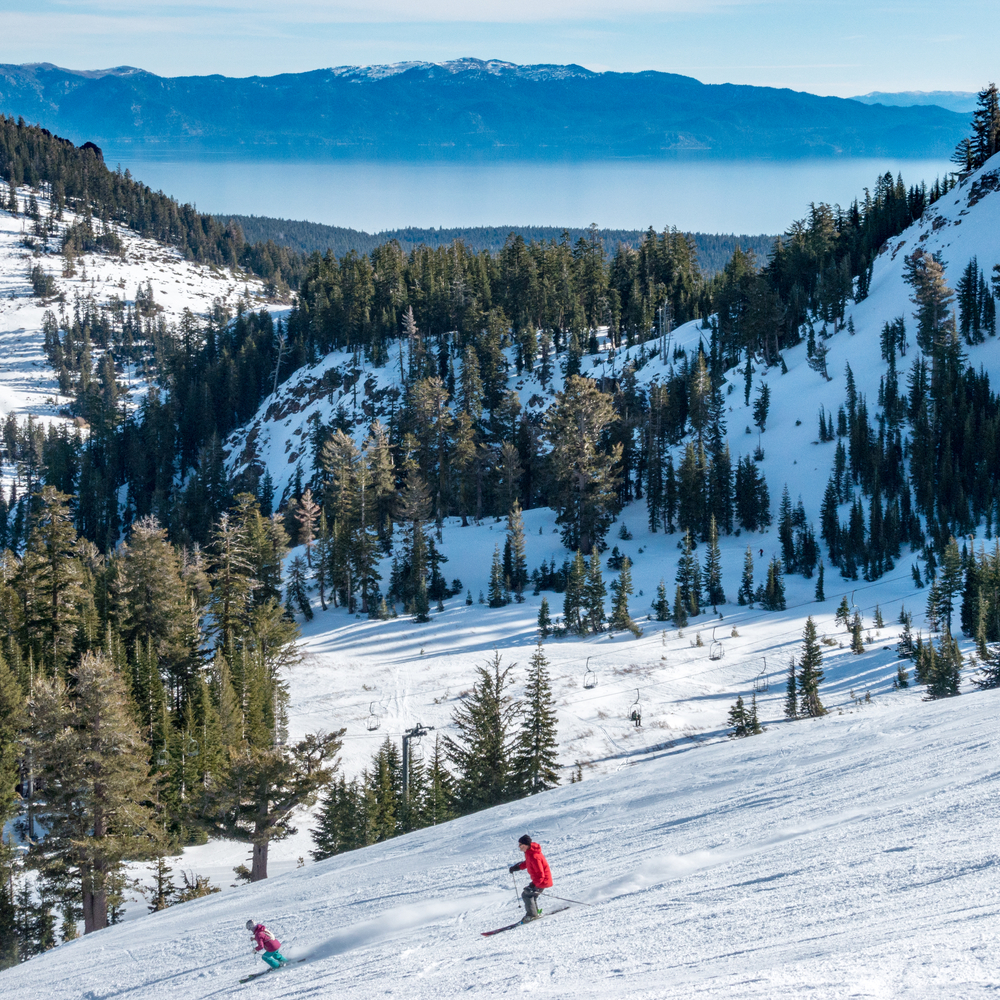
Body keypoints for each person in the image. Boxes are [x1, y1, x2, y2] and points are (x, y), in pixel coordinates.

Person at [508, 834, 553, 922]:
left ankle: (532, 915)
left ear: (525, 845)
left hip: (542, 880)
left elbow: (540, 874)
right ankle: (535, 913)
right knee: (530, 895)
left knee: (526, 895)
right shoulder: (530, 853)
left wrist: (533, 885)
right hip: (540, 880)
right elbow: (527, 863)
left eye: (520, 844)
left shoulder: (534, 856)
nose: (519, 846)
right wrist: (517, 867)